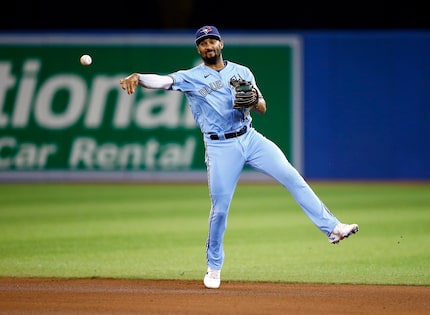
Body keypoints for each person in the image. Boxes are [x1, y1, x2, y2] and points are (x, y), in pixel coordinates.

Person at [120, 25, 359, 289]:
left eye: (212, 41)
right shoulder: (191, 77)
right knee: (220, 210)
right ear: (198, 49)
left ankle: (333, 229)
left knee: (293, 177)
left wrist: (254, 98)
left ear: (221, 44)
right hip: (220, 147)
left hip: (250, 137)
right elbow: (164, 81)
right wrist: (139, 77)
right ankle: (213, 267)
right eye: (203, 43)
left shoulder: (242, 71)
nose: (208, 46)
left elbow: (263, 107)